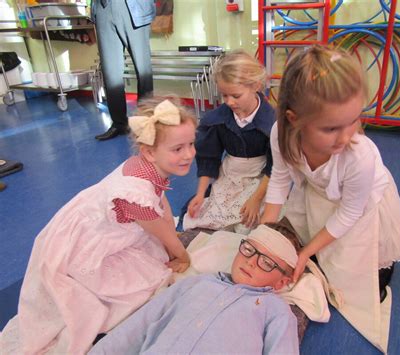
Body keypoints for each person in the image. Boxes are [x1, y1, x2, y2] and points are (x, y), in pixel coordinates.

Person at [0, 98, 196, 354]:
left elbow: (160, 198)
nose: (190, 154)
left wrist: (171, 231)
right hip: (83, 239)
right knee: (140, 286)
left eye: (191, 144)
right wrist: (181, 254)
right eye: (178, 148)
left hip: (95, 221)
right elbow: (160, 229)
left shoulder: (148, 167)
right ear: (149, 152)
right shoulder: (135, 196)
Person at [260, 45, 400, 349]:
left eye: (354, 121)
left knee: (355, 279)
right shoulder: (280, 133)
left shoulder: (359, 155)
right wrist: (263, 234)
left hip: (363, 206)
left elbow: (350, 213)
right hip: (320, 195)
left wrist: (305, 253)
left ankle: (379, 264)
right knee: (309, 254)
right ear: (294, 119)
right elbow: (279, 181)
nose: (345, 136)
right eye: (330, 128)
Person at [89, 223, 300, 354]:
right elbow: (139, 325)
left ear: (281, 282)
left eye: (266, 262)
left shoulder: (276, 311)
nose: (251, 262)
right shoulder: (198, 283)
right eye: (248, 250)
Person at [183, 50, 275, 233]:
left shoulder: (272, 122)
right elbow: (208, 158)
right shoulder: (217, 119)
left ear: (256, 85)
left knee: (248, 224)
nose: (229, 102)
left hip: (261, 179)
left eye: (236, 95)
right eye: (224, 96)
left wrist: (256, 199)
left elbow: (276, 167)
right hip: (230, 175)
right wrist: (201, 193)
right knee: (208, 218)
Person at [92, 0, 155, 140]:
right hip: (103, 8)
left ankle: (145, 122)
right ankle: (119, 123)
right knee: (110, 72)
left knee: (143, 69)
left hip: (133, 7)